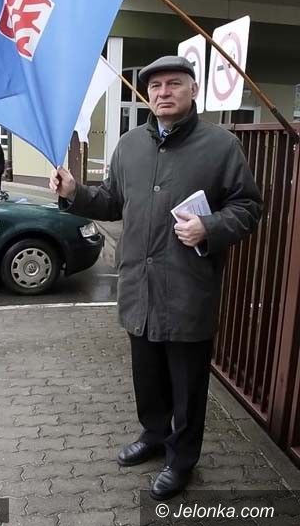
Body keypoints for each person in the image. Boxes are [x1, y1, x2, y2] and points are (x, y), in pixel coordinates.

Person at [49, 55, 262, 500]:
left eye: (174, 84)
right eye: (155, 86)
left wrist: (210, 227)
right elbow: (112, 201)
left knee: (187, 385)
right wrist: (74, 193)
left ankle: (181, 460)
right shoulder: (129, 146)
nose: (164, 92)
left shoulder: (221, 146)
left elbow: (248, 206)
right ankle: (154, 435)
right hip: (139, 288)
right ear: (147, 95)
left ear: (193, 89)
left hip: (188, 288)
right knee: (147, 377)